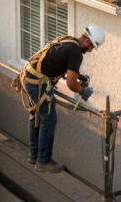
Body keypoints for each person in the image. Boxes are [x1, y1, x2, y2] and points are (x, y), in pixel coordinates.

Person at [18, 26, 105, 173]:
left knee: (36, 114)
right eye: (91, 47)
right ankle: (43, 160)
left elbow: (57, 62)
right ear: (87, 41)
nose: (90, 51)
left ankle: (34, 154)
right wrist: (83, 91)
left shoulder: (66, 39)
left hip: (29, 76)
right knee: (49, 119)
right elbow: (71, 84)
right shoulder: (77, 53)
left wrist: (79, 77)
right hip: (37, 83)